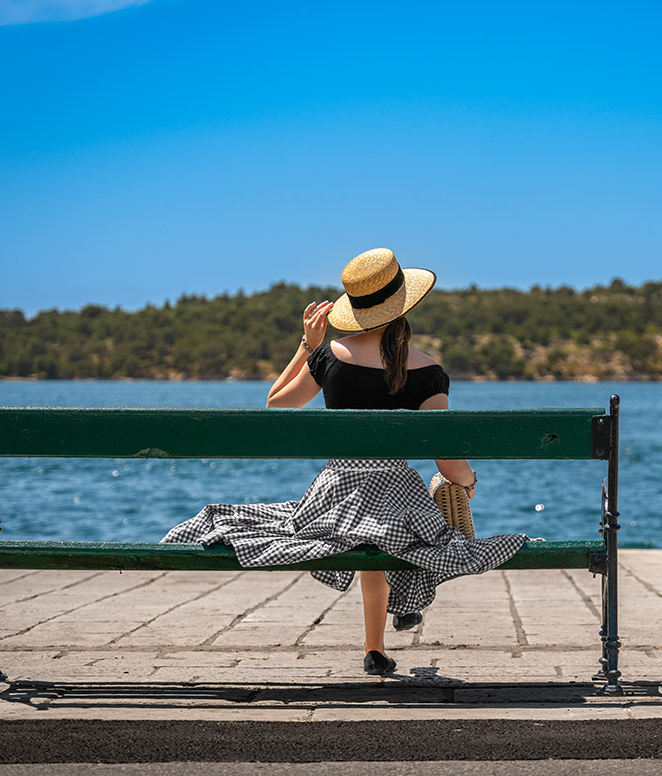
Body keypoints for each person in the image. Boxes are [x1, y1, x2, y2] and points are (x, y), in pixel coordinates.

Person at [163, 249, 527, 675]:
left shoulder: (329, 357)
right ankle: (405, 604)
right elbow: (448, 463)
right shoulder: (427, 371)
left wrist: (307, 347)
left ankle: (377, 645)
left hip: (335, 497)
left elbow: (275, 405)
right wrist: (468, 480)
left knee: (368, 536)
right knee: (419, 530)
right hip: (396, 497)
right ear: (404, 307)